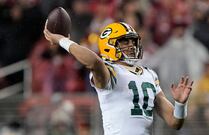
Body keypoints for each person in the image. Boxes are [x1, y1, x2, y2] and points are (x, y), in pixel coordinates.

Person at [44, 21, 194, 135]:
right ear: (109, 45)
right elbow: (94, 61)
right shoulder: (109, 70)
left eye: (132, 41)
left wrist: (180, 105)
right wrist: (62, 41)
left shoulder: (149, 74)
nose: (131, 46)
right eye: (124, 42)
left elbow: (175, 123)